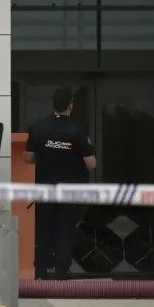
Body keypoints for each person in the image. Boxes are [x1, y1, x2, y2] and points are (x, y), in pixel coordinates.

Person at [24, 86, 96, 280]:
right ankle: (61, 273)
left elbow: (28, 157)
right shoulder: (78, 129)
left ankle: (40, 272)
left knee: (43, 230)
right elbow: (91, 164)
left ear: (52, 105)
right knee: (65, 231)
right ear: (70, 105)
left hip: (44, 188)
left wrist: (47, 157)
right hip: (68, 190)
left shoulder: (39, 127)